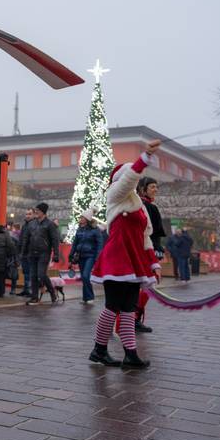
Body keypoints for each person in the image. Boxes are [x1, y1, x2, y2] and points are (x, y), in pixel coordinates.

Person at [89, 141, 162, 368]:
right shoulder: (116, 194)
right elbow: (130, 177)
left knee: (129, 308)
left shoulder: (138, 204)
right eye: (133, 177)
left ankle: (129, 354)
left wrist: (153, 264)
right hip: (116, 259)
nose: (136, 180)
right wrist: (145, 157)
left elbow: (145, 236)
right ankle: (99, 350)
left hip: (134, 261)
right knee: (113, 305)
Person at [133, 176, 166, 332]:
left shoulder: (145, 205)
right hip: (146, 251)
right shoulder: (146, 207)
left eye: (156, 187)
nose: (155, 190)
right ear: (143, 189)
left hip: (146, 250)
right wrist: (156, 251)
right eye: (152, 187)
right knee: (147, 286)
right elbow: (150, 234)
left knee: (144, 286)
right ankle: (133, 318)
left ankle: (135, 318)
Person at [19, 202, 60, 305]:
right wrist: (23, 251)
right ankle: (34, 298)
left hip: (44, 253)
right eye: (36, 210)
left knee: (41, 274)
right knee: (33, 275)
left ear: (43, 212)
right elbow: (25, 238)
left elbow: (55, 240)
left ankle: (52, 292)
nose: (36, 212)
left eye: (38, 210)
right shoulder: (32, 224)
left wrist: (56, 254)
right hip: (32, 253)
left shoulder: (50, 224)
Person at [68, 210, 103, 304]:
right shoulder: (79, 229)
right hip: (81, 256)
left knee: (85, 276)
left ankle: (90, 297)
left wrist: (97, 257)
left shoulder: (95, 230)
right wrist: (70, 256)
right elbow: (75, 244)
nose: (80, 219)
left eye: (82, 217)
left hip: (90, 256)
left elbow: (100, 244)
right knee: (84, 277)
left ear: (87, 219)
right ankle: (86, 298)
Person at [16, 208, 34, 297]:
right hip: (24, 252)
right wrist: (19, 251)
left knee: (30, 272)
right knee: (25, 272)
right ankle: (26, 289)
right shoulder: (24, 225)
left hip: (30, 253)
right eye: (26, 214)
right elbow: (21, 239)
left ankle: (30, 290)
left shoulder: (34, 225)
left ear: (34, 215)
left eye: (29, 214)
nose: (27, 216)